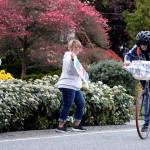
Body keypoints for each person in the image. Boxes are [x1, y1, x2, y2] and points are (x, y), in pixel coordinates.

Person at [55, 39, 87, 132]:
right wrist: (73, 60)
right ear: (71, 47)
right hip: (67, 84)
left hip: (75, 86)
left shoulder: (75, 57)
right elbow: (69, 69)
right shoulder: (68, 56)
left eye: (79, 47)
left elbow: (77, 70)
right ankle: (60, 126)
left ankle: (76, 125)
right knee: (67, 104)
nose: (77, 49)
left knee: (81, 103)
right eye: (75, 47)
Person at [124, 31, 150, 132]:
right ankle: (146, 123)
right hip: (145, 73)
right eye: (141, 43)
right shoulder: (137, 48)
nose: (143, 46)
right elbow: (128, 55)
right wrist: (127, 62)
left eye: (145, 44)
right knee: (146, 95)